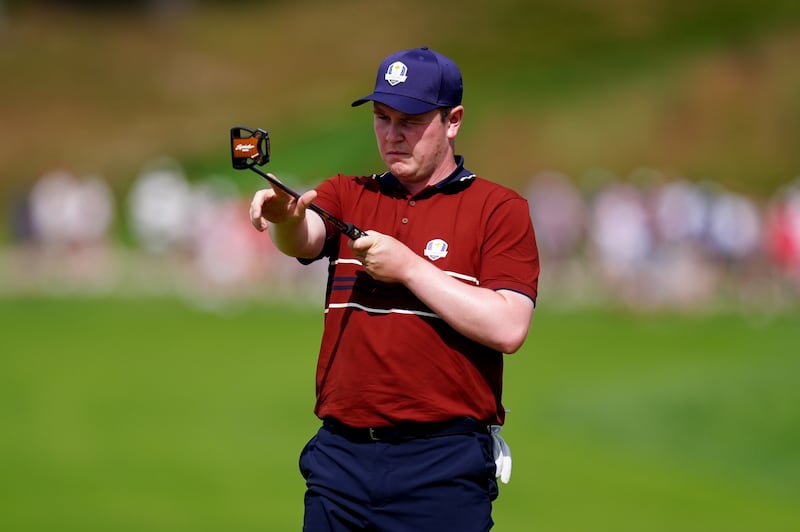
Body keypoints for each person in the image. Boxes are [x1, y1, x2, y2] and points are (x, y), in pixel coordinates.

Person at [249, 46, 540, 531]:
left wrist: (410, 268)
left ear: (453, 121)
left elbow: (509, 326)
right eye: (382, 118)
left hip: (442, 465)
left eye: (411, 120)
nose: (392, 134)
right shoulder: (350, 192)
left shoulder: (498, 208)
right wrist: (283, 216)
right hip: (340, 459)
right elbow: (305, 236)